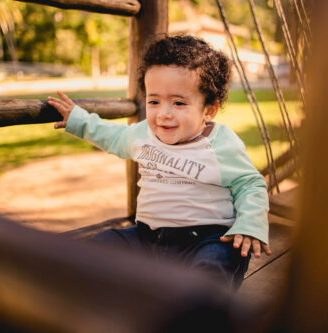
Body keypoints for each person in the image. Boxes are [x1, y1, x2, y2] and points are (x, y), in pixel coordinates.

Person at [48, 35, 270, 289]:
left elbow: (250, 185)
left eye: (178, 102)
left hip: (207, 239)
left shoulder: (220, 143)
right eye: (154, 101)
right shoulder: (143, 135)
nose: (164, 113)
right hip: (147, 237)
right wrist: (78, 120)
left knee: (216, 264)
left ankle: (201, 311)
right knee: (97, 247)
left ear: (209, 110)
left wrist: (249, 224)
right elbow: (112, 136)